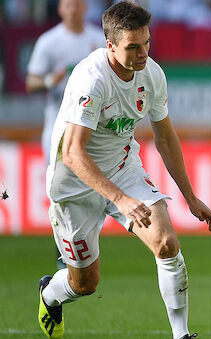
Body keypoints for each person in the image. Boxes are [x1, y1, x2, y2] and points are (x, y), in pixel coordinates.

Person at [37, 2, 211, 339]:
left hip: (123, 168)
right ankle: (50, 293)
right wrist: (119, 199)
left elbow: (165, 137)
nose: (142, 53)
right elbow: (73, 153)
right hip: (75, 182)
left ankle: (182, 335)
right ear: (110, 46)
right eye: (133, 47)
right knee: (85, 283)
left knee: (166, 243)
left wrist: (191, 198)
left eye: (146, 43)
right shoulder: (92, 80)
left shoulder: (152, 74)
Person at [26, 0, 107, 270]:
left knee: (92, 191)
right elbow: (30, 81)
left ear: (85, 8)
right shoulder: (50, 42)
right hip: (58, 127)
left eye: (78, 4)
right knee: (61, 191)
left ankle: (82, 250)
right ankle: (64, 255)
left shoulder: (98, 39)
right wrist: (50, 80)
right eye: (68, 4)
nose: (73, 8)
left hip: (91, 128)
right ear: (60, 9)